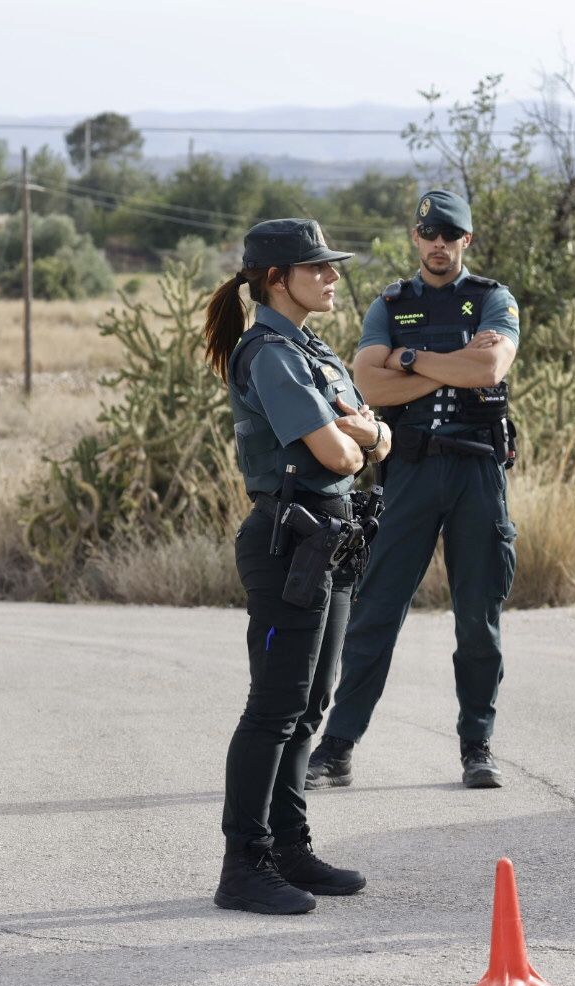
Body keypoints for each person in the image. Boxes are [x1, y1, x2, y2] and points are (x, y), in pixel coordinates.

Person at [304, 189, 521, 790]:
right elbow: (367, 385)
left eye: (450, 235)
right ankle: (338, 747)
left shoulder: (492, 299)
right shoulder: (391, 303)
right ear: (416, 238)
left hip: (478, 471)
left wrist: (406, 360)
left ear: (466, 241)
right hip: (410, 470)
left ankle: (477, 744)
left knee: (478, 617)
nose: (438, 245)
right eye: (429, 235)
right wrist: (435, 360)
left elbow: (487, 370)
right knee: (376, 612)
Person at [206, 218, 392, 916]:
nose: (333, 277)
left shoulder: (309, 349)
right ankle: (243, 863)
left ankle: (289, 846)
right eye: (318, 268)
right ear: (276, 279)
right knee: (275, 708)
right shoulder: (273, 355)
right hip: (291, 540)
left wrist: (359, 431)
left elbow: (378, 435)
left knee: (310, 705)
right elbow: (343, 456)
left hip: (331, 537)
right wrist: (358, 435)